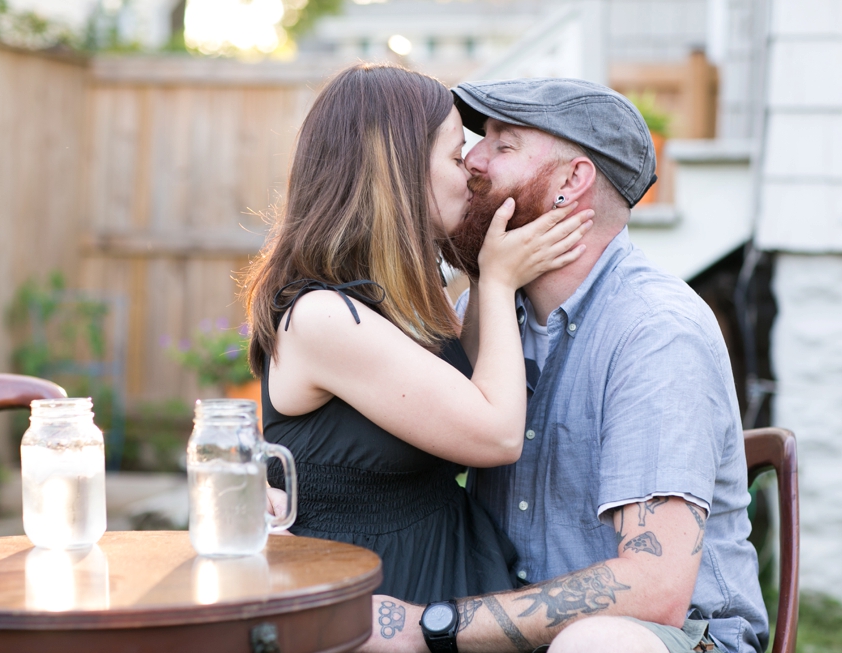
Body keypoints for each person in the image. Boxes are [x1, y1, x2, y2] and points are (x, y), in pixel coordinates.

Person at [361, 79, 769, 653]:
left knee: (595, 643)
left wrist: (431, 626)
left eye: (503, 146)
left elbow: (655, 589)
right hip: (519, 629)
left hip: (673, 637)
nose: (470, 160)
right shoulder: (491, 310)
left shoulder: (654, 332)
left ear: (571, 182)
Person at [242, 63, 592, 604]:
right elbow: (496, 433)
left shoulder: (402, 302)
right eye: (456, 156)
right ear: (400, 172)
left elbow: (475, 383)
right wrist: (497, 283)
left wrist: (481, 270)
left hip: (440, 581)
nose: (472, 171)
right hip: (370, 604)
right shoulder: (324, 318)